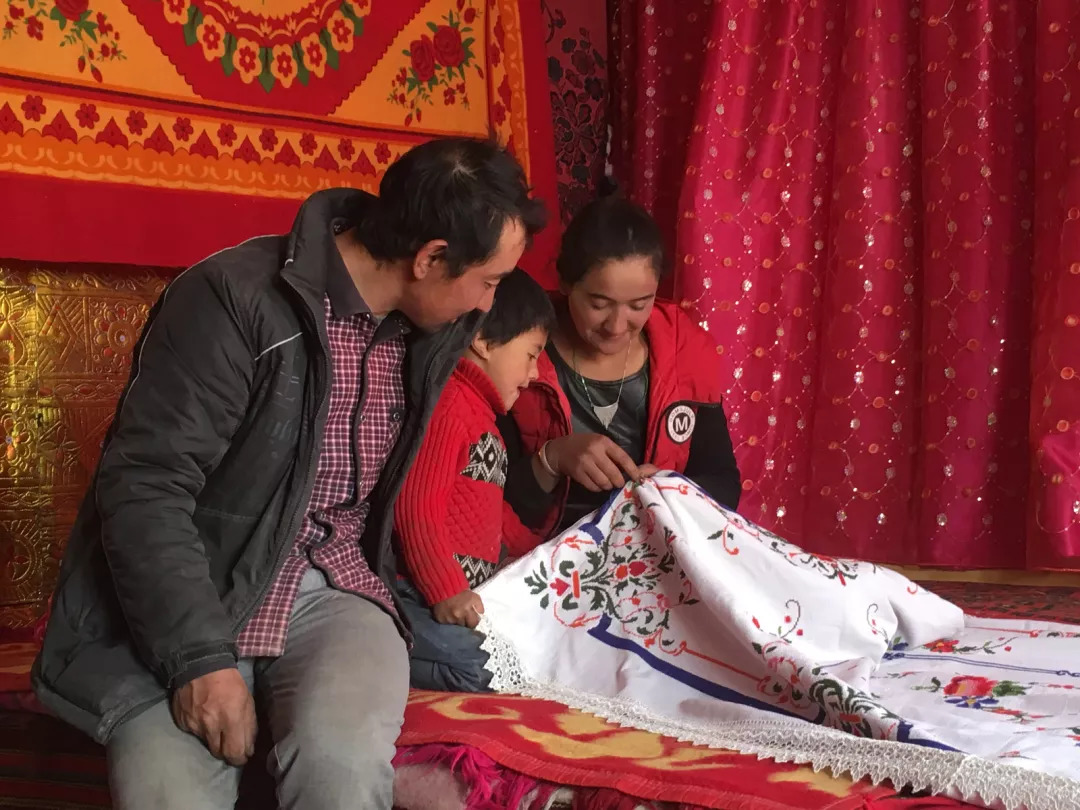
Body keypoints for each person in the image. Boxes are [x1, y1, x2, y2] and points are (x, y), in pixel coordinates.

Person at [31, 137, 547, 810]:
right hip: (199, 586)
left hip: (338, 588)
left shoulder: (432, 331)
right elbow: (146, 487)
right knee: (167, 791)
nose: (486, 305)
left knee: (340, 767)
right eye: (489, 281)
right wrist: (197, 661)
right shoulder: (232, 298)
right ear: (429, 259)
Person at [499, 195, 740, 535]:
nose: (616, 326)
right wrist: (551, 460)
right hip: (544, 551)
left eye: (639, 305)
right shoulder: (517, 352)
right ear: (566, 283)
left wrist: (673, 488)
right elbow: (488, 505)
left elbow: (724, 484)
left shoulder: (684, 353)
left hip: (653, 548)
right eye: (599, 304)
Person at [394, 268, 553, 692]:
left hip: (454, 596)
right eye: (531, 354)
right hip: (417, 595)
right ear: (483, 341)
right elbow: (415, 507)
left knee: (524, 654)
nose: (535, 373)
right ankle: (384, 648)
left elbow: (491, 511)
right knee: (486, 668)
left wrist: (544, 552)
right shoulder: (450, 407)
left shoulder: (482, 419)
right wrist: (445, 591)